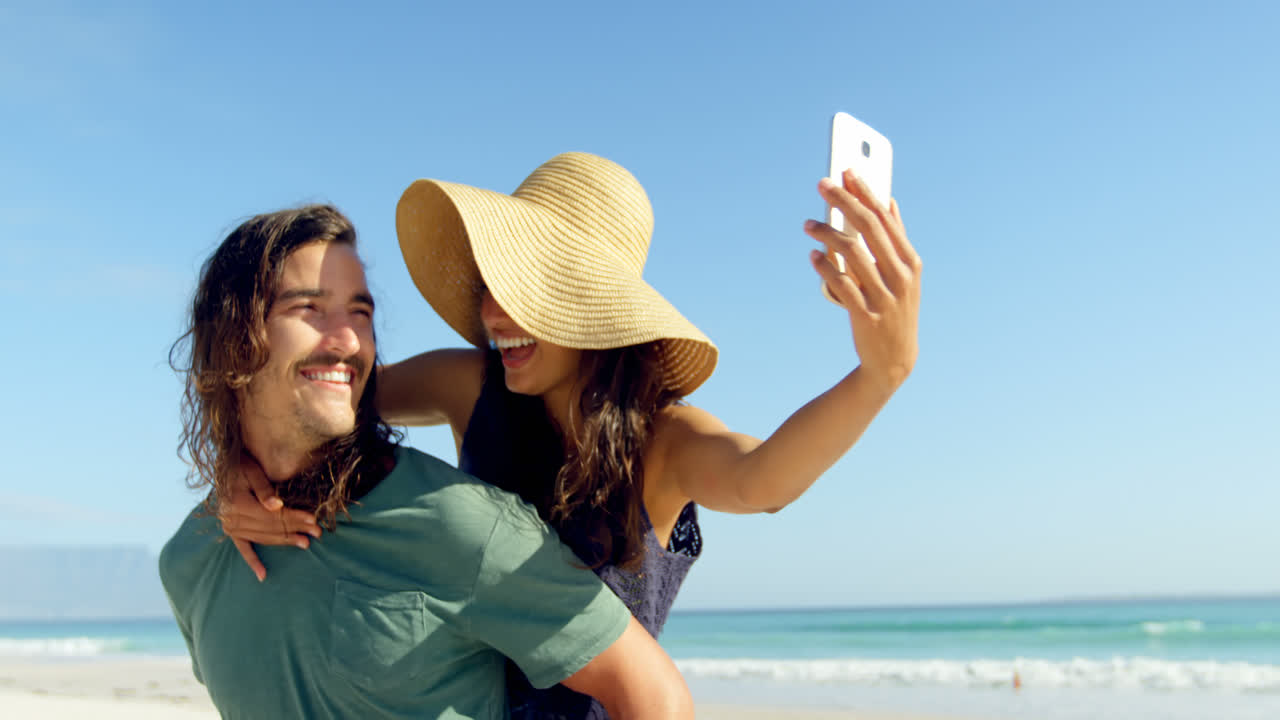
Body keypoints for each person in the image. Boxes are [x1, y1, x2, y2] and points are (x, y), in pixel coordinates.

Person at [223, 152, 922, 719]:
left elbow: (762, 479)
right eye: (493, 283)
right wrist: (236, 467)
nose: (495, 313)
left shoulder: (664, 440)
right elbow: (313, 394)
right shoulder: (470, 386)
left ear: (594, 306)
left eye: (527, 288)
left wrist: (881, 371)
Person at [159, 204, 693, 719]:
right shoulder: (190, 559)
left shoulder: (461, 525)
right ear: (232, 337)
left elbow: (651, 694)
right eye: (309, 309)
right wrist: (232, 462)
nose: (348, 339)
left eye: (361, 313)